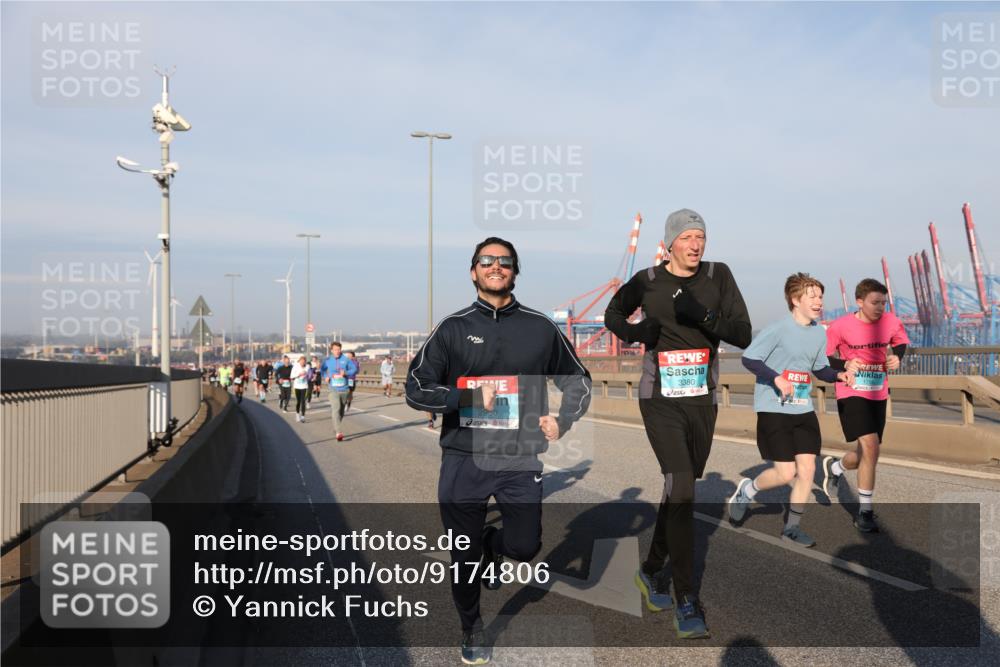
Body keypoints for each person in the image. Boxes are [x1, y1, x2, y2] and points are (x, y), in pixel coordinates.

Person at [405, 237, 592, 665]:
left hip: (519, 456)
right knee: (463, 555)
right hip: (464, 456)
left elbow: (578, 379)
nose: (496, 266)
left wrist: (564, 419)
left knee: (525, 547)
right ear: (473, 271)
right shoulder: (452, 327)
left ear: (515, 271)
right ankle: (471, 626)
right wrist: (466, 399)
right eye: (486, 260)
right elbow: (415, 388)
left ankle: (493, 542)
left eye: (504, 261)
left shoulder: (540, 327)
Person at [605, 208, 751, 639]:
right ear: (669, 244)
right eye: (686, 237)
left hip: (702, 398)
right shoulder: (648, 281)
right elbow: (613, 314)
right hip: (659, 398)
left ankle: (651, 569)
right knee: (683, 487)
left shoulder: (718, 276)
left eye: (700, 236)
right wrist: (636, 333)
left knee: (678, 488)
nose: (695, 244)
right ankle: (687, 599)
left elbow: (743, 334)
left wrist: (703, 316)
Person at [728, 274, 855, 546]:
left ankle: (792, 529)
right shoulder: (778, 329)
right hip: (774, 408)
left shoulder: (818, 333)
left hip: (803, 409)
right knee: (786, 474)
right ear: (796, 300)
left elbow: (819, 368)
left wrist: (838, 375)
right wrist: (776, 378)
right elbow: (750, 358)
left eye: (821, 297)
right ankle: (747, 491)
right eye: (813, 296)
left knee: (807, 470)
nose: (819, 302)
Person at [821, 278, 910, 533]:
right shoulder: (840, 326)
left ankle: (836, 467)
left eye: (884, 302)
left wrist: (897, 357)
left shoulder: (890, 321)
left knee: (867, 452)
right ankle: (865, 512)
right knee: (871, 446)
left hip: (877, 391)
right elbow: (823, 358)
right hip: (850, 391)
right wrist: (844, 364)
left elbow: (900, 342)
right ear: (859, 302)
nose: (881, 307)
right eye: (875, 302)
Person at [321, 342, 357, 442]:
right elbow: (322, 370)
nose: (337, 351)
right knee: (336, 409)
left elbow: (354, 369)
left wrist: (346, 373)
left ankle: (336, 427)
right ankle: (338, 432)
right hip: (333, 389)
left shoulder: (346, 359)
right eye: (335, 349)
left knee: (341, 412)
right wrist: (326, 376)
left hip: (344, 389)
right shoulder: (328, 360)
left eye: (339, 349)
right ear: (332, 350)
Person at [290, 355, 311, 422]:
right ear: (299, 361)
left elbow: (310, 375)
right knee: (298, 401)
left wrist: (308, 375)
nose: (302, 363)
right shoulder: (295, 366)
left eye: (304, 361)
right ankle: (297, 414)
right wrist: (299, 374)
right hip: (297, 386)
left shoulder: (307, 367)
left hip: (304, 386)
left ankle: (303, 416)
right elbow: (291, 376)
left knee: (303, 401)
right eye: (301, 361)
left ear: (305, 362)